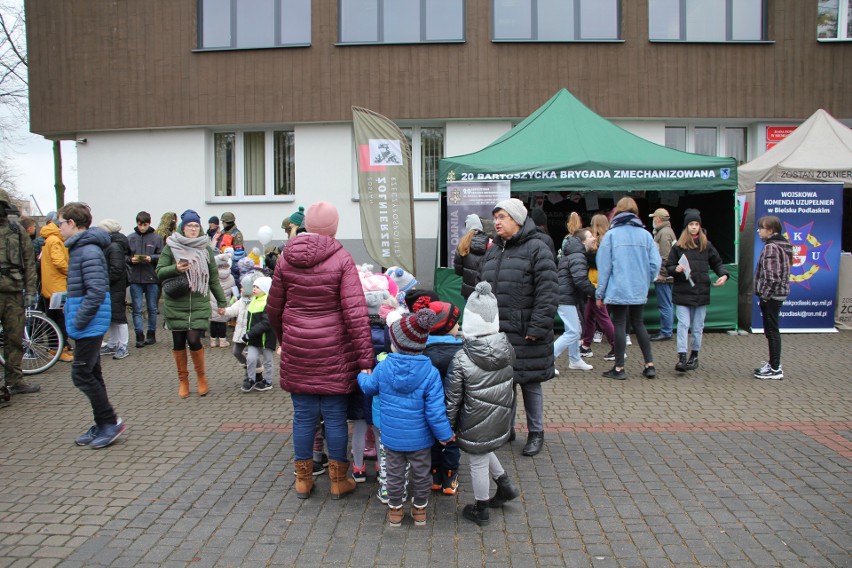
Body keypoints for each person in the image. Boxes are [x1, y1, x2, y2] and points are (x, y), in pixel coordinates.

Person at [266, 201, 373, 500]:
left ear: (307, 225)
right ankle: (339, 481)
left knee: (303, 416)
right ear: (334, 227)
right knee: (336, 416)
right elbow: (355, 312)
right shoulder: (341, 258)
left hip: (298, 347)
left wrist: (282, 339)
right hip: (334, 351)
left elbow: (273, 307)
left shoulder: (286, 257)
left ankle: (303, 481)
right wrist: (366, 358)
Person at [358, 308, 455, 527]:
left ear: (396, 344)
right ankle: (419, 510)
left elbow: (370, 388)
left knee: (394, 474)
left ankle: (395, 510)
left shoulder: (383, 368)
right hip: (420, 440)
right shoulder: (430, 373)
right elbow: (435, 411)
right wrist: (445, 435)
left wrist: (361, 377)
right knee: (421, 474)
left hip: (392, 437)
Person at [478, 198, 557, 457]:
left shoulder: (538, 248)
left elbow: (548, 293)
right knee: (504, 383)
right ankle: (506, 429)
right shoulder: (493, 250)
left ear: (518, 220)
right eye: (495, 217)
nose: (496, 222)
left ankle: (536, 433)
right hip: (498, 332)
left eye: (502, 217)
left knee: (530, 383)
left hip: (527, 332)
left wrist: (537, 327)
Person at [445, 282, 520, 526]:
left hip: (473, 417)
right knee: (484, 448)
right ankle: (505, 486)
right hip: (499, 413)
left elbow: (453, 398)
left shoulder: (462, 358)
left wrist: (446, 427)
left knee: (476, 459)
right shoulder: (507, 348)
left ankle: (481, 508)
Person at [58, 202, 126, 449]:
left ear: (72, 223)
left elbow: (97, 290)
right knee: (92, 373)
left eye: (61, 223)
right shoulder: (81, 248)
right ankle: (103, 422)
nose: (59, 228)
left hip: (89, 322)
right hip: (87, 320)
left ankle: (109, 421)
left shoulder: (87, 250)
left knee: (81, 374)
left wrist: (79, 318)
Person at [157, 209, 227, 399]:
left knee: (194, 340)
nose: (193, 229)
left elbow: (213, 279)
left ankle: (201, 378)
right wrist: (176, 268)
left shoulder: (205, 249)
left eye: (196, 225)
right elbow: (159, 271)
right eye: (189, 225)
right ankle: (183, 381)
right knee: (178, 342)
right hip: (176, 302)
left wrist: (222, 302)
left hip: (198, 302)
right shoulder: (171, 246)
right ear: (183, 227)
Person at [595, 197, 661, 381]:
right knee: (639, 323)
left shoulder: (611, 235)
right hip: (638, 287)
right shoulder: (646, 235)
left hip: (618, 288)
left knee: (619, 324)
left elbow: (604, 266)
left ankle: (619, 367)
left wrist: (600, 293)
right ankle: (649, 365)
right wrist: (645, 280)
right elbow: (655, 263)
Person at [665, 209, 729, 373]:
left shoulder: (706, 245)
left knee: (698, 326)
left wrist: (723, 275)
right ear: (686, 227)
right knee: (683, 324)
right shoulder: (678, 246)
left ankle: (694, 355)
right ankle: (682, 356)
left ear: (700, 226)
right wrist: (676, 269)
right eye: (691, 224)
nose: (694, 227)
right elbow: (669, 266)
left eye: (696, 224)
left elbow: (717, 263)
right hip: (682, 291)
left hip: (701, 291)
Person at [414, 296, 463, 496]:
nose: (459, 326)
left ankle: (434, 475)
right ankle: (450, 478)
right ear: (447, 326)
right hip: (454, 408)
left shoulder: (421, 351)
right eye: (456, 322)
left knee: (432, 440)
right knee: (452, 440)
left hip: (428, 408)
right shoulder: (461, 351)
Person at [0, 189, 40, 396]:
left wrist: (31, 291)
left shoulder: (17, 231)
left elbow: (29, 264)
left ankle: (15, 380)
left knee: (15, 338)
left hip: (13, 292)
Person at [753, 215, 792, 380]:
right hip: (778, 294)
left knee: (772, 330)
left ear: (770, 230)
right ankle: (773, 363)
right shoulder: (783, 245)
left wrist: (765, 297)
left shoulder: (771, 247)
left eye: (761, 228)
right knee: (771, 329)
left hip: (772, 296)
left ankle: (775, 368)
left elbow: (772, 276)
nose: (758, 231)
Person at [554, 229, 597, 372]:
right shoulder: (578, 256)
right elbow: (580, 280)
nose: (594, 238)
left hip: (566, 296)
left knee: (573, 330)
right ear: (583, 241)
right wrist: (594, 292)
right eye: (590, 236)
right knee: (573, 331)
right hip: (565, 297)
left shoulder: (574, 254)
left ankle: (575, 359)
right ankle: (547, 359)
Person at [579, 213, 616, 361]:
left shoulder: (599, 243)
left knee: (603, 317)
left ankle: (616, 347)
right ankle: (586, 345)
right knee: (589, 315)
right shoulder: (609, 239)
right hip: (598, 282)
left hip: (596, 283)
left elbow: (597, 262)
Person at [40, 213, 74, 362]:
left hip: (53, 285)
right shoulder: (55, 240)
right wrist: (73, 271)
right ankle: (59, 350)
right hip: (56, 287)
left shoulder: (52, 239)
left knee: (54, 317)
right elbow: (59, 262)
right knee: (59, 318)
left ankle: (57, 348)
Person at [127, 211, 163, 348]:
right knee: (137, 308)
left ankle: (151, 334)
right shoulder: (130, 238)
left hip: (151, 278)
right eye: (140, 225)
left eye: (145, 225)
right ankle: (139, 335)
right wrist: (131, 260)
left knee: (152, 308)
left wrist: (151, 258)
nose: (142, 227)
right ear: (137, 223)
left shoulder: (156, 238)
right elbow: (124, 257)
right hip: (135, 278)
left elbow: (161, 256)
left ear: (149, 223)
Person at [98, 219, 131, 360]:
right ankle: (112, 343)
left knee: (119, 317)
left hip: (115, 287)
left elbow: (117, 269)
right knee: (111, 316)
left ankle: (123, 345)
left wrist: (106, 280)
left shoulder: (114, 247)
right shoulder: (111, 245)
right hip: (112, 286)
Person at [240, 276, 276, 392]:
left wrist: (250, 334)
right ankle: (251, 379)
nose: (254, 289)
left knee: (268, 361)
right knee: (251, 359)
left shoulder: (268, 302)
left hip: (265, 339)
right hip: (254, 339)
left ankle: (268, 381)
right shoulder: (253, 300)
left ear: (265, 289)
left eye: (258, 287)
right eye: (254, 286)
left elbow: (266, 323)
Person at [649, 208, 677, 342]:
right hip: (668, 275)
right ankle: (666, 330)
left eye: (654, 218)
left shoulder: (664, 233)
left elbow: (665, 256)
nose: (653, 220)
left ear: (658, 219)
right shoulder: (667, 231)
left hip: (665, 277)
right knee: (667, 304)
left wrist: (662, 274)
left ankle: (666, 332)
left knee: (665, 304)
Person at [453, 214, 490, 300]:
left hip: (469, 293)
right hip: (485, 291)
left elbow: (458, 271)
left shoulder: (462, 245)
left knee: (469, 313)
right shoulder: (490, 242)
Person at [208, 253, 234, 348]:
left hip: (213, 300)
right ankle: (222, 341)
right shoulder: (231, 277)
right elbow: (233, 289)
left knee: (213, 321)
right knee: (222, 322)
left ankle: (213, 341)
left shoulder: (213, 275)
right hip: (224, 301)